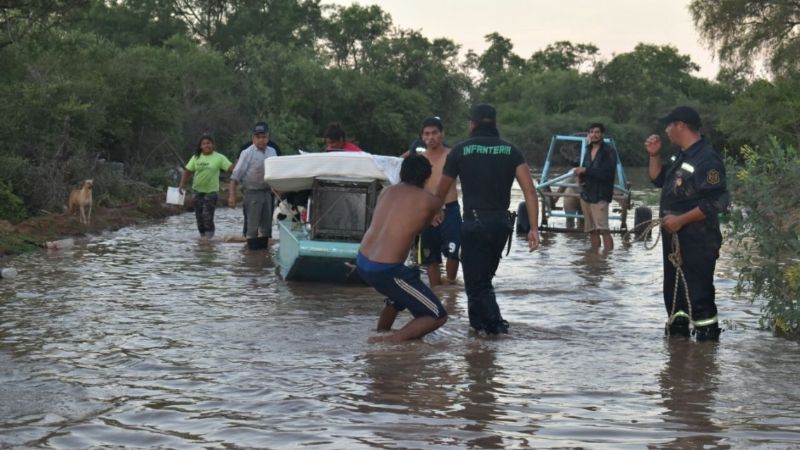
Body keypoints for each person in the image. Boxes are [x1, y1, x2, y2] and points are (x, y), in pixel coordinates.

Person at [436, 103, 541, 335]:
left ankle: (496, 328)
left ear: (471, 124)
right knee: (481, 280)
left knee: (477, 283)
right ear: (494, 123)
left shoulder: (460, 151)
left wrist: (435, 211)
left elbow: (441, 189)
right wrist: (534, 227)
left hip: (474, 224)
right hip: (502, 225)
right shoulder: (511, 150)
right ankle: (478, 333)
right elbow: (530, 192)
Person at [645, 106, 729, 341]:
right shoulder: (680, 155)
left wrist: (680, 220)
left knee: (698, 295)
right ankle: (678, 353)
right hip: (675, 241)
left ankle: (706, 353)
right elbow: (658, 179)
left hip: (698, 240)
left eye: (669, 125)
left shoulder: (707, 159)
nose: (666, 131)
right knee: (674, 294)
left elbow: (717, 201)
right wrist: (654, 155)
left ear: (680, 125)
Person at [357, 154, 447, 343]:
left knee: (405, 284)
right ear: (426, 177)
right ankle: (388, 343)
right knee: (437, 315)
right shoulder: (429, 201)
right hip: (386, 270)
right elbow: (421, 226)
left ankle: (382, 331)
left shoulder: (387, 191)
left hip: (363, 261)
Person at [402, 116, 461, 286]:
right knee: (430, 257)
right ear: (422, 137)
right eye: (426, 134)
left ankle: (450, 288)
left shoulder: (453, 155)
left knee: (453, 251)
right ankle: (436, 291)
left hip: (450, 209)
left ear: (442, 134)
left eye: (434, 133)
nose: (431, 137)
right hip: (427, 212)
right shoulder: (418, 159)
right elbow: (398, 168)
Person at [229, 121, 278, 249]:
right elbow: (235, 177)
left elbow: (276, 174)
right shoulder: (246, 153)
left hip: (268, 193)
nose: (261, 140)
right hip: (252, 193)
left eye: (264, 137)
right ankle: (250, 258)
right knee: (252, 227)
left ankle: (262, 258)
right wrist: (232, 196)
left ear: (268, 138)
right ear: (253, 138)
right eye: (258, 137)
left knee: (266, 228)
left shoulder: (272, 152)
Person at [178, 134, 233, 238]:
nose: (206, 145)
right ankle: (202, 240)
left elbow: (233, 169)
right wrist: (182, 184)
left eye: (208, 143)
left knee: (207, 216)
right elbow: (187, 171)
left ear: (213, 145)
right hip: (197, 191)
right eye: (204, 143)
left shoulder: (219, 157)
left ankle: (209, 241)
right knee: (199, 218)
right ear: (200, 146)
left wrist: (232, 183)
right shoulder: (196, 157)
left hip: (211, 192)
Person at [575, 123, 616, 251]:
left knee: (604, 230)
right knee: (591, 230)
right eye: (591, 132)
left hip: (601, 195)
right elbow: (584, 169)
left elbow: (607, 174)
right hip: (586, 194)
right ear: (589, 134)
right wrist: (580, 178)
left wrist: (586, 170)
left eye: (597, 132)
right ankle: (594, 259)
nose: (594, 135)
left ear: (602, 134)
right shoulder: (587, 149)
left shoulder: (609, 151)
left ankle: (607, 259)